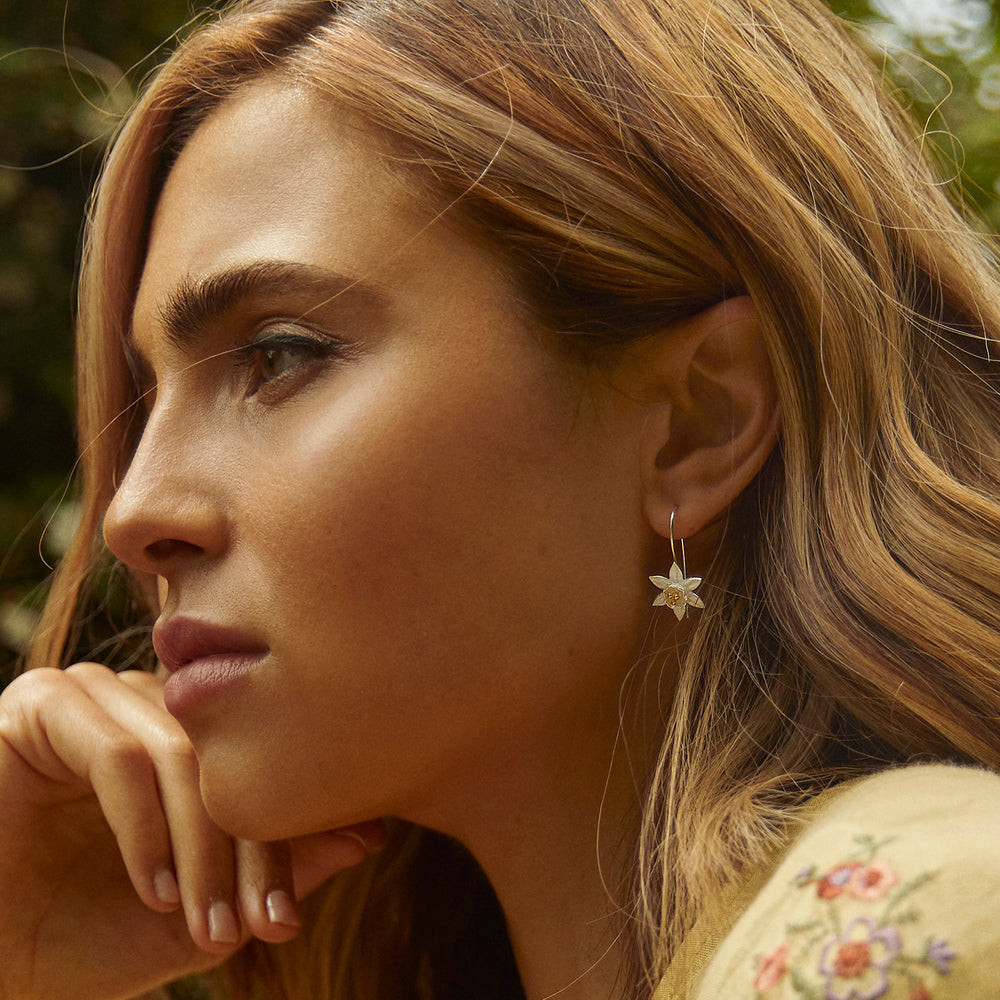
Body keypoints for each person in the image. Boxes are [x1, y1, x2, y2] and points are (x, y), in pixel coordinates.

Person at [2, 0, 1000, 997]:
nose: (133, 513)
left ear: (697, 420)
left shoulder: (908, 915)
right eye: (148, 399)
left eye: (280, 355)